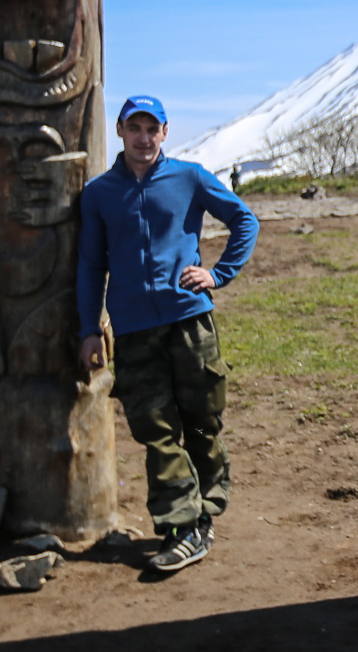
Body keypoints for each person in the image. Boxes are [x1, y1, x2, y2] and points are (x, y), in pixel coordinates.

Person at [78, 95, 259, 574]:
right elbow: (92, 264)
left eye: (151, 128)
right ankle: (182, 526)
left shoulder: (190, 176)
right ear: (119, 130)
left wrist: (218, 275)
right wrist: (89, 328)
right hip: (134, 329)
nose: (143, 137)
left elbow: (244, 219)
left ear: (164, 132)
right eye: (134, 127)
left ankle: (206, 513)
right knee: (155, 429)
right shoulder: (99, 193)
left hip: (188, 320)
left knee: (202, 420)